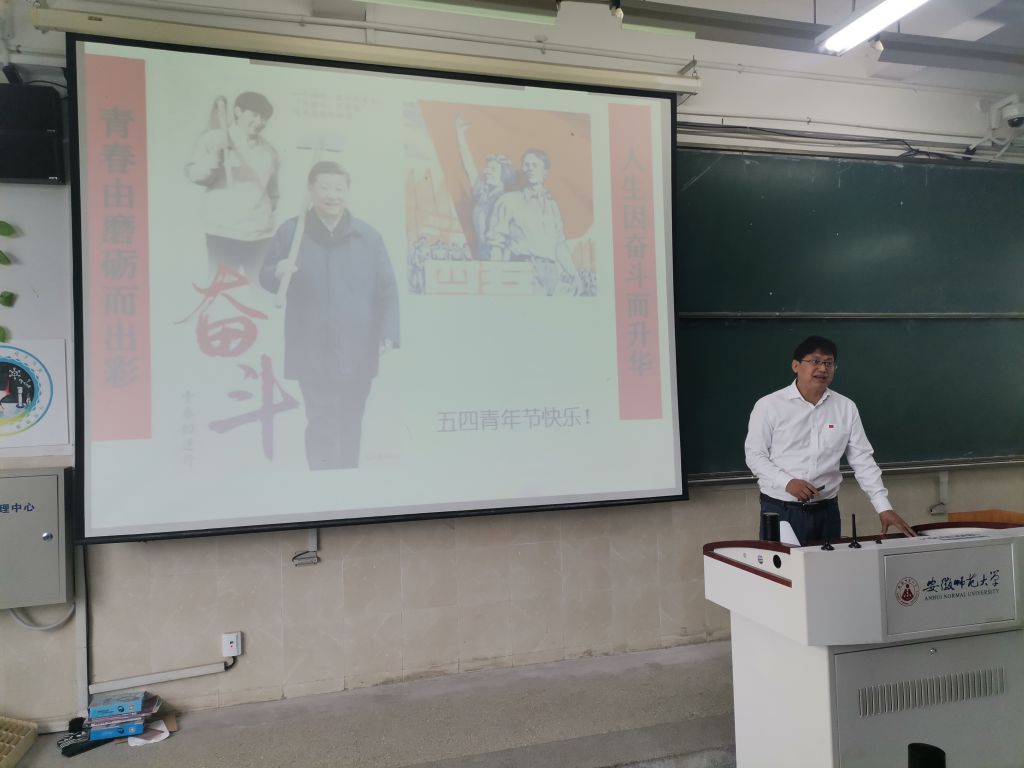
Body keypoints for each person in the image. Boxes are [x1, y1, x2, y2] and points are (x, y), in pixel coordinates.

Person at [260, 161, 399, 470]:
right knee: (321, 421)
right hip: (311, 346)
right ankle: (324, 486)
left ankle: (347, 485)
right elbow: (266, 275)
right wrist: (277, 271)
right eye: (324, 187)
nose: (332, 195)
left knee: (352, 420)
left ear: (347, 191)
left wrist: (388, 332)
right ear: (311, 191)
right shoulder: (292, 233)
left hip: (358, 347)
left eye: (339, 188)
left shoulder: (368, 237)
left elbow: (387, 289)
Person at [744, 335, 916, 543]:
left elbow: (862, 460)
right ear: (796, 366)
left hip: (827, 512)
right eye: (815, 361)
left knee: (829, 564)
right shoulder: (769, 405)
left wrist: (883, 507)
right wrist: (787, 482)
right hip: (781, 510)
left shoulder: (846, 407)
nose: (823, 369)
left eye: (829, 363)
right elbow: (755, 456)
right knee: (784, 565)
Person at [184, 91, 279, 286]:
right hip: (223, 232)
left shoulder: (269, 152)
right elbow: (194, 175)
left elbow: (273, 193)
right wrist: (216, 157)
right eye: (254, 115)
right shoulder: (213, 139)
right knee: (220, 292)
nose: (259, 122)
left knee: (260, 291)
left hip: (259, 234)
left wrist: (263, 214)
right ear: (237, 111)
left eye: (264, 118)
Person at [485, 149, 584, 296]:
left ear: (545, 172)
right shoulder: (509, 201)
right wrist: (497, 277)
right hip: (523, 270)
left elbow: (559, 245)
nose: (530, 168)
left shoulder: (552, 206)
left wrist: (575, 276)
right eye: (527, 165)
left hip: (551, 274)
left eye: (535, 165)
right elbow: (496, 244)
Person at [454, 114, 515, 260]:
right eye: (487, 168)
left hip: (500, 254)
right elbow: (468, 164)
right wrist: (460, 135)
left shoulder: (507, 199)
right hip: (481, 252)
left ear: (503, 173)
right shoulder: (481, 191)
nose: (487, 171)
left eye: (493, 169)